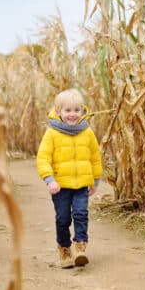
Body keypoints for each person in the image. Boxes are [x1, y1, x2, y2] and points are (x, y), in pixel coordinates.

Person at [36, 88, 103, 269]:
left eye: (76, 110)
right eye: (68, 110)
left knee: (81, 214)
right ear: (58, 112)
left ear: (83, 111)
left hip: (81, 184)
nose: (72, 114)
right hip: (60, 186)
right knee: (63, 219)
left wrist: (95, 180)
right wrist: (50, 179)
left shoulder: (87, 132)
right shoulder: (52, 133)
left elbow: (95, 157)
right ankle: (65, 250)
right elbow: (43, 158)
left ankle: (80, 247)